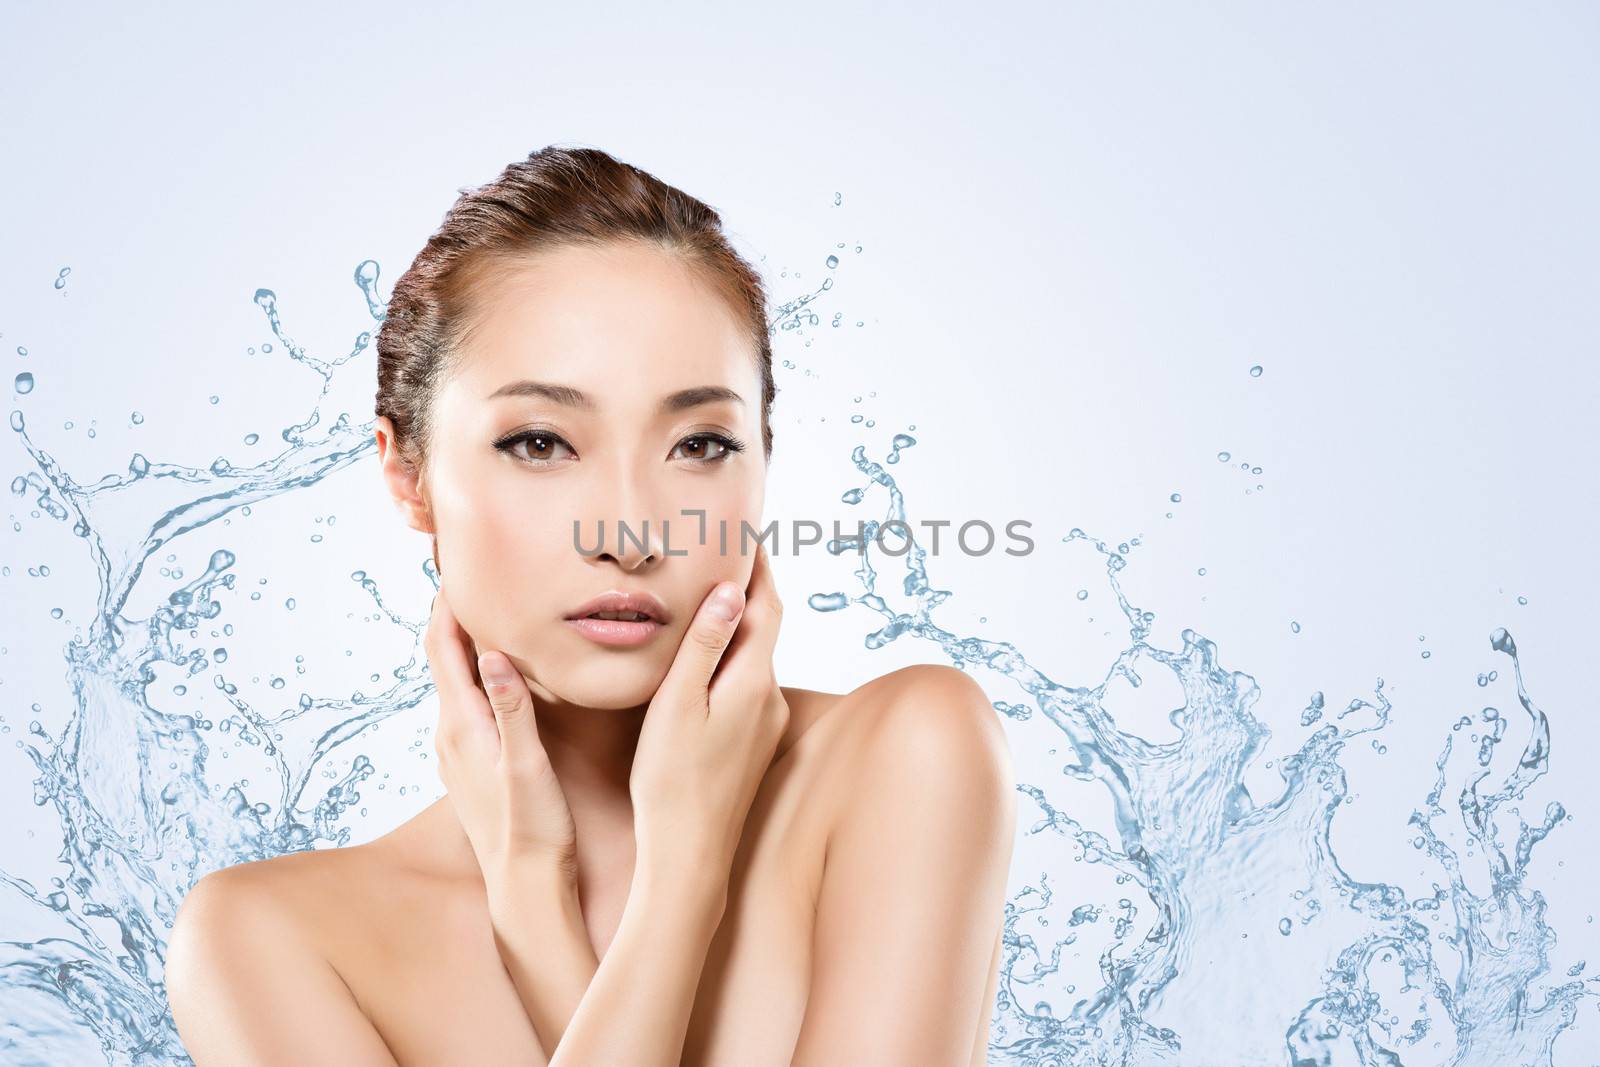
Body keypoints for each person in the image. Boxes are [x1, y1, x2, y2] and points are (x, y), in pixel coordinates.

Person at [164, 145, 1017, 1066]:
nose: (629, 529)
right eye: (540, 442)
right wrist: (543, 887)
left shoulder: (910, 755)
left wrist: (637, 886)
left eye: (699, 443)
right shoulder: (274, 940)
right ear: (407, 474)